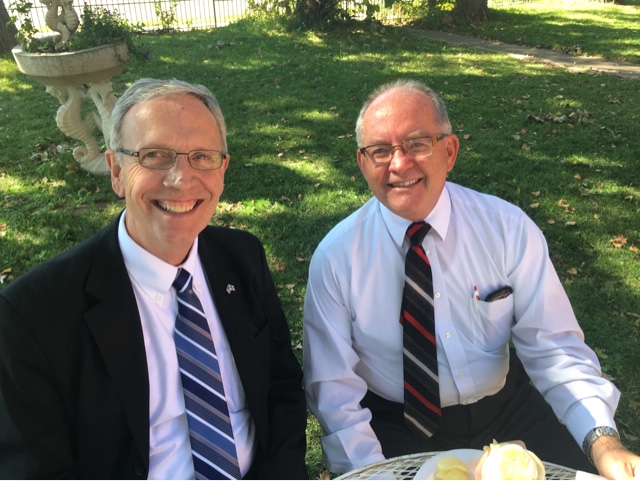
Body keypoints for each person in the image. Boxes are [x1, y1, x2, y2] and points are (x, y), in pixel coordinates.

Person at [303, 79, 640, 479]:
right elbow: (335, 392)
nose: (399, 164)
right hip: (397, 427)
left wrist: (603, 442)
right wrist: (372, 472)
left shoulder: (506, 229)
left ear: (449, 151)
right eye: (380, 150)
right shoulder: (337, 258)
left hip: (508, 411)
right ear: (362, 164)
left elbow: (554, 347)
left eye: (417, 143)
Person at [0, 78, 308, 479]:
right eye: (155, 155)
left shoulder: (242, 258)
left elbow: (281, 389)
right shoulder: (33, 315)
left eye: (202, 157)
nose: (180, 179)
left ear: (222, 170)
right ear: (116, 171)